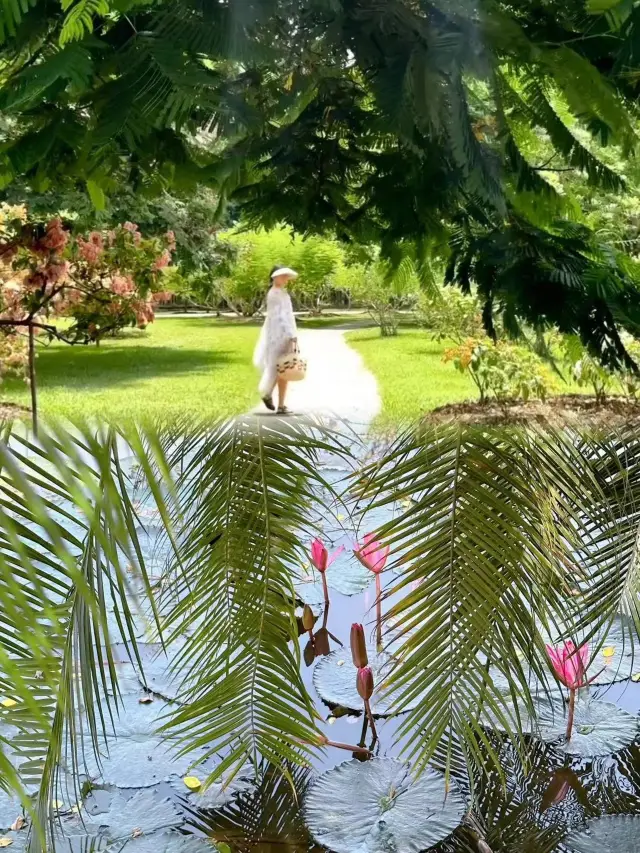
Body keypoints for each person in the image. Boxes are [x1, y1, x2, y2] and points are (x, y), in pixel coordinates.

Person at [253, 266, 299, 414]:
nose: (285, 279)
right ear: (274, 277)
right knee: (278, 367)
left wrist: (293, 335)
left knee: (285, 368)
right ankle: (267, 393)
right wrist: (292, 335)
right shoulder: (274, 294)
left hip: (285, 334)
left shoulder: (282, 293)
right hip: (278, 335)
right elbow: (281, 317)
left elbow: (288, 315)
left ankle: (281, 404)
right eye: (282, 276)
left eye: (286, 276)